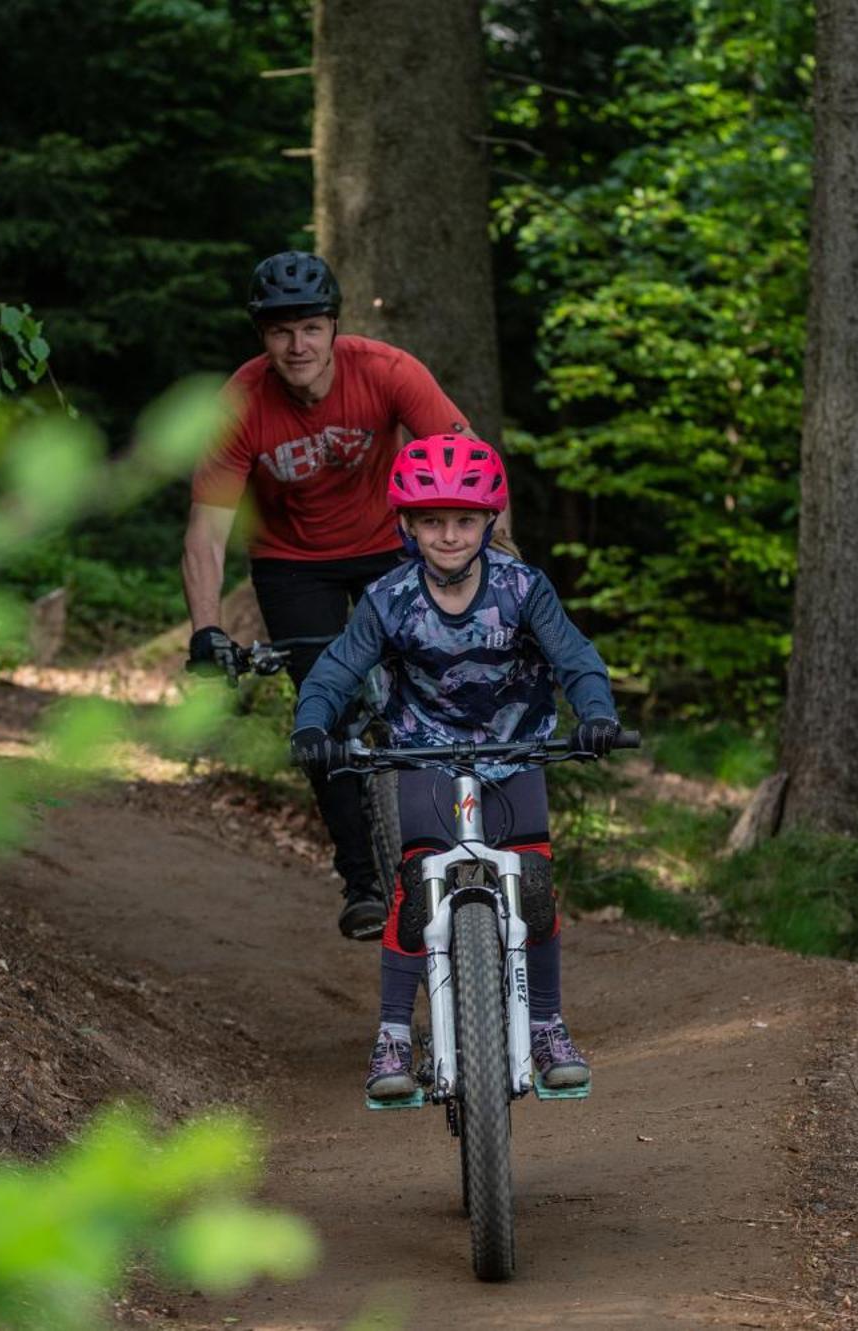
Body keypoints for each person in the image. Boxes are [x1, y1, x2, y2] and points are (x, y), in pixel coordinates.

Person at [286, 435, 622, 1099]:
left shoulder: (523, 588)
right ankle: (393, 1036)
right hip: (426, 752)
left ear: (488, 522)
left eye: (464, 520)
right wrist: (312, 723)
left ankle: (548, 1024)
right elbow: (335, 670)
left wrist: (597, 714)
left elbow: (575, 658)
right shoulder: (388, 598)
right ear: (407, 525)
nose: (449, 535)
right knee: (417, 888)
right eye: (432, 521)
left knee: (533, 886)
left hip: (516, 750)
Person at [183, 250, 483, 941]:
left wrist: (491, 565)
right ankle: (362, 876)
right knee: (325, 714)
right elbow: (206, 534)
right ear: (263, 337)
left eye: (311, 328)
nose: (298, 345)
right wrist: (206, 631)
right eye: (282, 331)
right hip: (294, 565)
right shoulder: (241, 405)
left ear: (333, 327)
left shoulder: (387, 371)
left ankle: (467, 839)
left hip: (388, 546)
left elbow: (469, 464)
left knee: (440, 681)